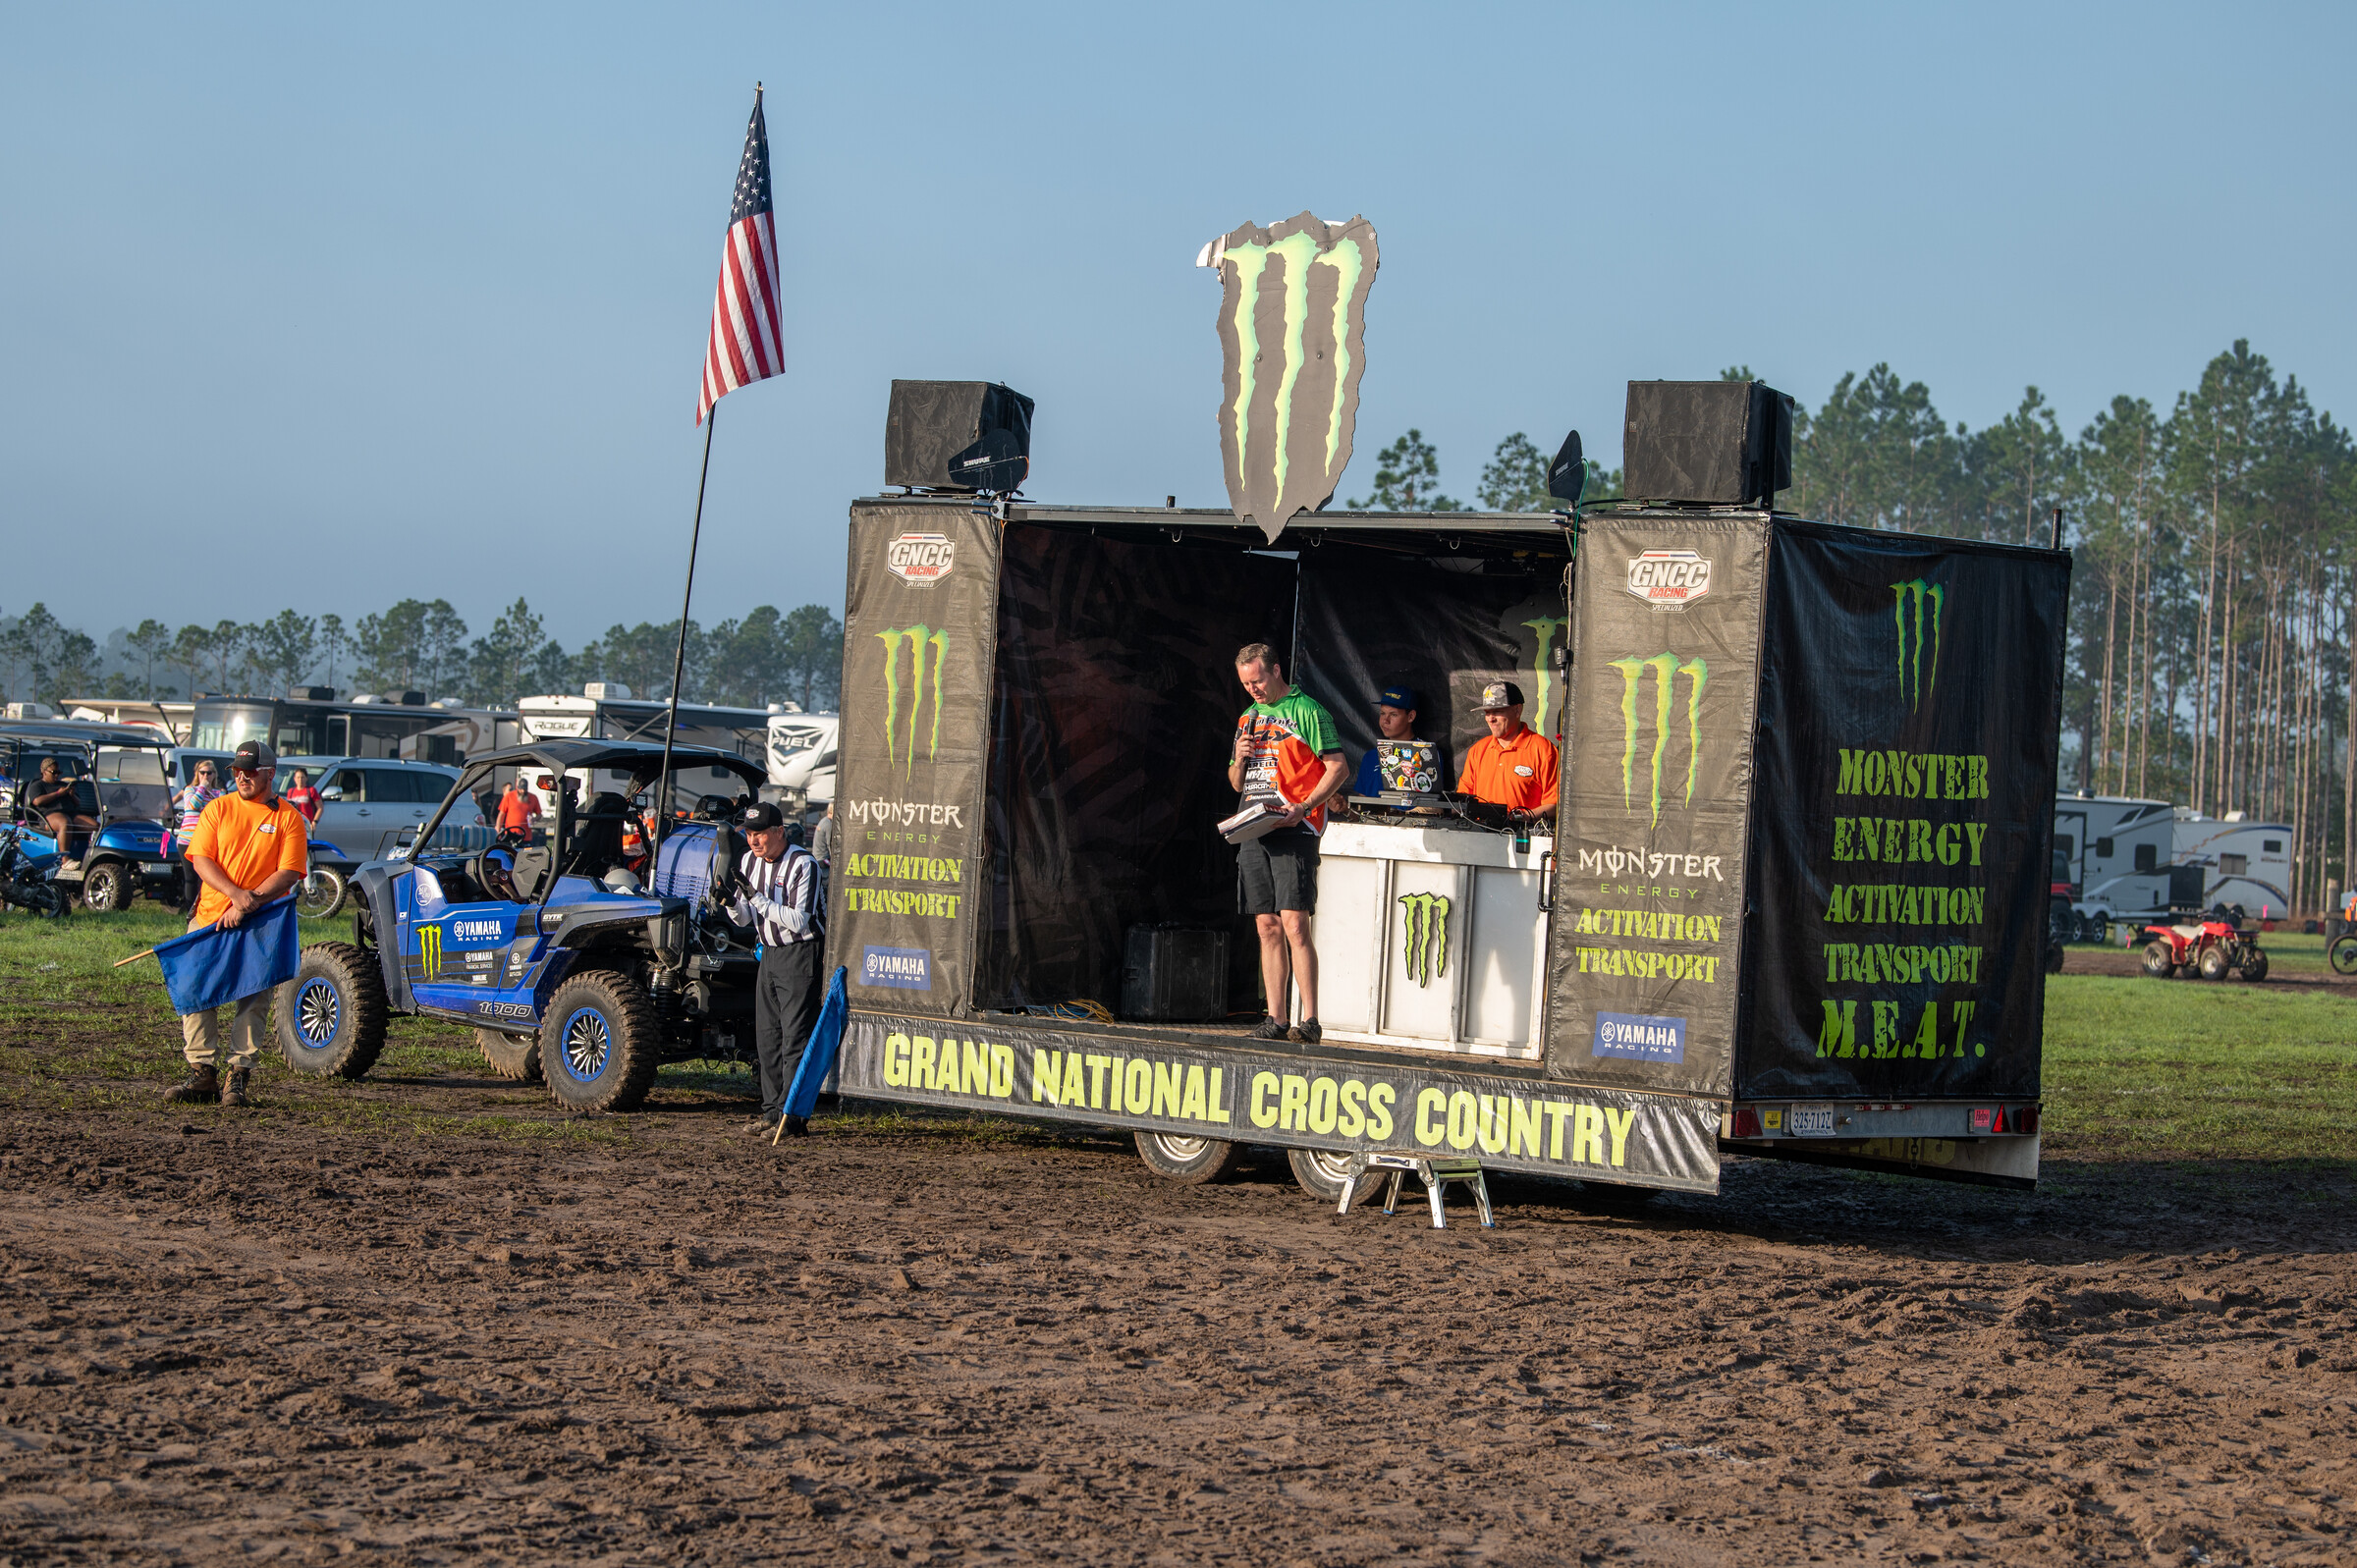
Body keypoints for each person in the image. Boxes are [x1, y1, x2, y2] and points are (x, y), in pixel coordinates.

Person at [168, 739, 309, 1108]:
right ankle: (202, 1075)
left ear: (269, 773)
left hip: (261, 923)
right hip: (209, 918)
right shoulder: (218, 808)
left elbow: (289, 871)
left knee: (254, 998)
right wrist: (235, 895)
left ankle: (238, 1075)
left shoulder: (287, 817)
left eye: (250, 771)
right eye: (237, 771)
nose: (242, 777)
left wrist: (249, 903)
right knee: (195, 993)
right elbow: (201, 860)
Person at [1228, 643, 1348, 1045]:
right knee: (1266, 925)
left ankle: (1310, 1020)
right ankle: (1276, 1018)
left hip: (1295, 825)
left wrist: (1306, 805)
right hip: (1254, 826)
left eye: (1258, 680)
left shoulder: (1308, 710)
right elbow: (1234, 783)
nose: (1254, 690)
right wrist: (1240, 759)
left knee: (1295, 923)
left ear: (1277, 670)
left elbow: (1338, 766)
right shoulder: (1248, 718)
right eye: (1246, 684)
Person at [726, 799, 824, 1138]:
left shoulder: (803, 863)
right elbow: (744, 917)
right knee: (767, 1037)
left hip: (800, 953)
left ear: (779, 831)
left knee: (794, 1038)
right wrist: (729, 903)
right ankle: (770, 1113)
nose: (754, 840)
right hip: (767, 952)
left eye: (761, 834)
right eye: (749, 833)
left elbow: (799, 920)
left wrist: (755, 899)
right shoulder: (748, 862)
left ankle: (791, 1119)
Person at [1456, 680, 1561, 816]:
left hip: (1522, 835)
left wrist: (1524, 817)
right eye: (1487, 713)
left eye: (1497, 711)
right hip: (1480, 834)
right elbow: (1462, 799)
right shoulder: (1477, 751)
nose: (1490, 719)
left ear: (1517, 710)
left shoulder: (1544, 750)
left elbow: (1555, 805)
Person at [1351, 685, 1444, 797]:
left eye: (1393, 714)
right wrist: (1345, 809)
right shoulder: (1370, 757)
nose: (1385, 720)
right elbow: (1361, 808)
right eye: (1382, 713)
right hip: (1370, 816)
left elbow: (1433, 806)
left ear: (1410, 716)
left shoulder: (1427, 753)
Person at [27, 757, 95, 847]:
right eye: (54, 773)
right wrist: (58, 794)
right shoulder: (37, 785)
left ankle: (89, 854)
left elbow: (78, 803)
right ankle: (65, 858)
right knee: (65, 823)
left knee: (95, 826)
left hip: (70, 814)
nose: (57, 775)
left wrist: (72, 795)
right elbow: (37, 801)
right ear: (44, 772)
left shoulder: (64, 785)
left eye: (58, 773)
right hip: (49, 815)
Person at [494, 779, 542, 845]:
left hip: (526, 837)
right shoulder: (509, 796)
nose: (522, 791)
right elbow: (501, 814)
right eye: (521, 789)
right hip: (510, 835)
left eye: (525, 789)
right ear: (517, 788)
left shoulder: (533, 798)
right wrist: (498, 829)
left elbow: (539, 814)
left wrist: (534, 819)